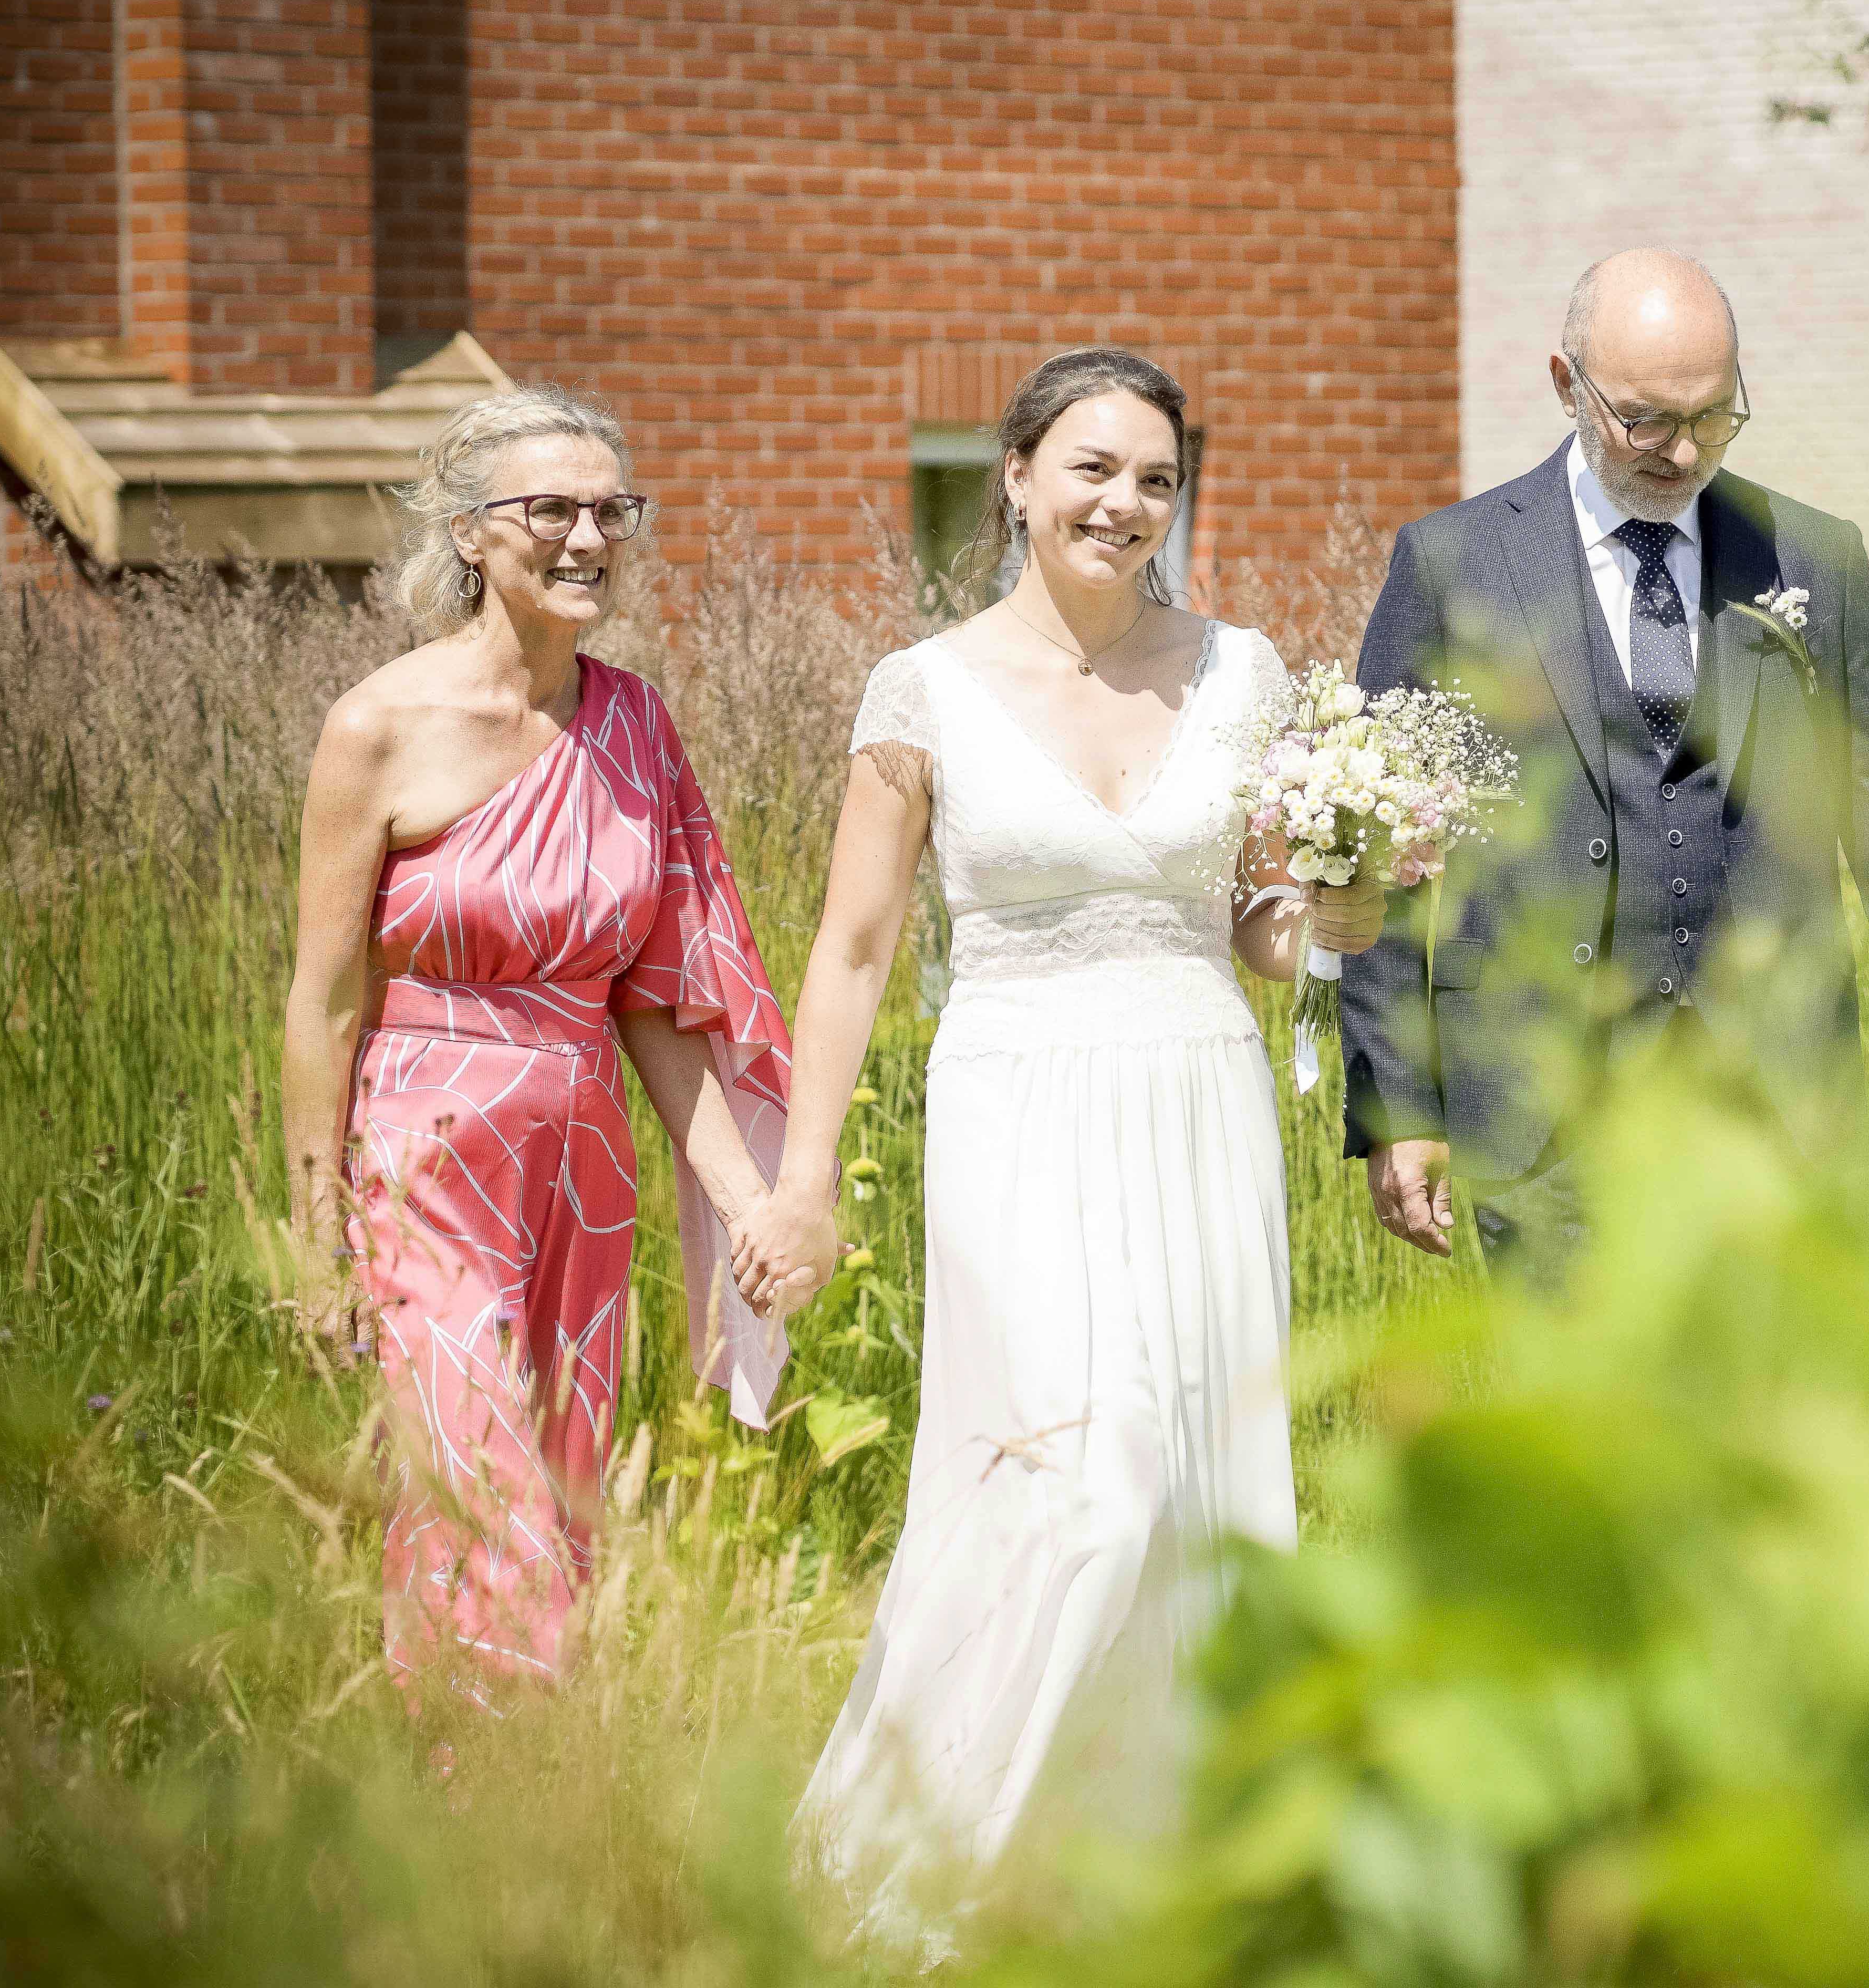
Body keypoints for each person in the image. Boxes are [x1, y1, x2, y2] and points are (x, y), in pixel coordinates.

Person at [730, 348, 1378, 1939]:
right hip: (1015, 1101)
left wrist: (1345, 906)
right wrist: (803, 1180)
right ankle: (911, 1887)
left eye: (1156, 478)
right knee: (1078, 1487)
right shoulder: (923, 690)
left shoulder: (1242, 671)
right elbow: (855, 951)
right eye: (1092, 468)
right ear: (1015, 476)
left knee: (1198, 1500)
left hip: (1199, 1095)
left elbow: (1261, 931)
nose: (1125, 503)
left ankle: (1151, 1890)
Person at [1339, 249, 1869, 1280]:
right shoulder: (1454, 564)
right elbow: (1378, 854)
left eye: (1713, 417)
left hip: (1780, 1116)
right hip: (1544, 1125)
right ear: (1566, 384)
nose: (1681, 452)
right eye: (1645, 421)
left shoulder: (1811, 559)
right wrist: (1399, 1101)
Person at [282, 386, 795, 1706]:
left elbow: (656, 1002)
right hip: (425, 1154)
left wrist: (747, 1200)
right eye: (553, 508)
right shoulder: (375, 728)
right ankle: (478, 1769)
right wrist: (312, 1235)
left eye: (613, 511)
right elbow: (324, 1001)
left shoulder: (637, 726)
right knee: (475, 1471)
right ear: (468, 532)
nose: (589, 537)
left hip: (583, 1161)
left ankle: (525, 1795)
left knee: (565, 1481)